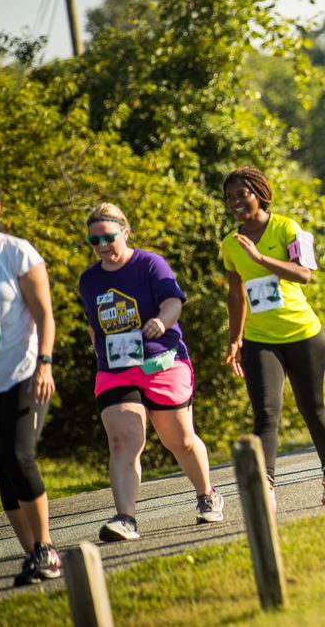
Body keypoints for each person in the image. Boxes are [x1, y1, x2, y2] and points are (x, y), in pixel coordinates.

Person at [78, 203, 223, 542]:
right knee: (123, 440)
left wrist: (161, 321)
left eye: (108, 238)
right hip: (115, 368)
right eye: (93, 241)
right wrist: (100, 353)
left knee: (180, 440)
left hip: (162, 360)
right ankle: (125, 519)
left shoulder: (149, 263)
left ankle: (207, 495)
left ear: (125, 233)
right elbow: (92, 324)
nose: (101, 246)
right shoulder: (90, 279)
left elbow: (174, 302)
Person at [221, 166, 325, 507]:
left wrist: (260, 258)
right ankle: (267, 488)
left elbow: (305, 275)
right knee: (265, 412)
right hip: (260, 339)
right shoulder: (230, 245)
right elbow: (236, 296)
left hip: (303, 333)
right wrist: (235, 340)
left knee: (312, 407)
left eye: (242, 194)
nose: (235, 202)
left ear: (259, 193)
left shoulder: (286, 227)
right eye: (230, 197)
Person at [0, 175, 61, 587]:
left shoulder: (18, 254)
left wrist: (44, 364)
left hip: (23, 372)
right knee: (0, 464)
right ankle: (32, 555)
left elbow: (45, 314)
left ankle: (47, 547)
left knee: (18, 455)